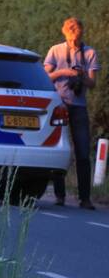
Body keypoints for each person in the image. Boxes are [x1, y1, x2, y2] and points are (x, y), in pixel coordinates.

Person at [45, 17, 100, 210]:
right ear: (65, 33)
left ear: (81, 34)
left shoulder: (90, 52)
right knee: (59, 148)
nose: (74, 43)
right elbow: (45, 76)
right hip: (59, 105)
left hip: (78, 106)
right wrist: (63, 73)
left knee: (83, 152)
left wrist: (81, 76)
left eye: (77, 38)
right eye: (71, 38)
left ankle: (85, 198)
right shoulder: (55, 50)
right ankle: (60, 195)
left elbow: (93, 83)